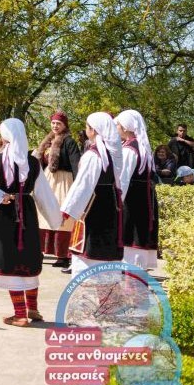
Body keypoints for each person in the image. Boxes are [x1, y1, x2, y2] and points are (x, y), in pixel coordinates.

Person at [0, 118, 62, 327]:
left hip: (6, 214)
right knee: (28, 258)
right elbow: (44, 194)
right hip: (27, 214)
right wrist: (55, 219)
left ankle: (20, 315)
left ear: (6, 136)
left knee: (11, 261)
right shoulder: (33, 163)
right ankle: (33, 309)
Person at [60, 112, 124, 275]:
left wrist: (66, 211)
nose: (86, 129)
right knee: (106, 246)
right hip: (110, 202)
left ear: (93, 130)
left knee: (89, 246)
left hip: (93, 204)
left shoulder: (93, 155)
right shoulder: (113, 152)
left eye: (87, 127)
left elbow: (83, 185)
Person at [34, 111, 82, 269]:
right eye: (53, 123)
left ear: (65, 125)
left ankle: (63, 256)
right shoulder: (47, 141)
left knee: (62, 217)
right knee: (43, 214)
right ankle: (40, 251)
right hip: (48, 180)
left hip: (63, 181)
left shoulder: (69, 142)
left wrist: (78, 185)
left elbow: (76, 164)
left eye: (58, 123)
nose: (55, 126)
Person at [116, 110, 160, 272]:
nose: (116, 128)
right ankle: (136, 270)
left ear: (125, 127)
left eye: (118, 125)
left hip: (132, 198)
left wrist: (116, 203)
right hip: (143, 196)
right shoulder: (141, 146)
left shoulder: (130, 149)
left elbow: (123, 179)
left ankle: (130, 272)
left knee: (131, 233)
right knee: (139, 232)